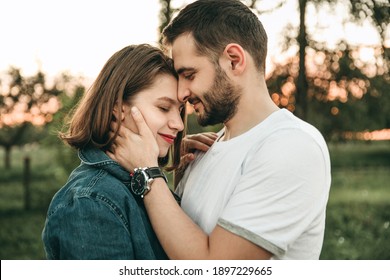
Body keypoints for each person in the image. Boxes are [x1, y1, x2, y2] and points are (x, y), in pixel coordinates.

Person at [108, 0, 331, 260]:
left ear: (234, 61)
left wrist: (148, 173)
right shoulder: (204, 151)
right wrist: (173, 177)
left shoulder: (292, 147)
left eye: (189, 74)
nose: (182, 93)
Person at [41, 44, 188, 259]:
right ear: (118, 108)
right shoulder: (91, 203)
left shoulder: (144, 180)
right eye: (164, 108)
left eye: (181, 110)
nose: (179, 124)